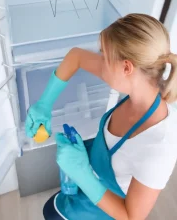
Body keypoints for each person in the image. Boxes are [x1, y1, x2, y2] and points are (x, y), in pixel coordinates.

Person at [25, 13, 177, 220]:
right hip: (83, 188)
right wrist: (44, 104)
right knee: (50, 210)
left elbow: (131, 217)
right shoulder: (141, 88)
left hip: (104, 210)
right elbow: (76, 56)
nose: (100, 62)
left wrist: (82, 174)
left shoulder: (159, 147)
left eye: (104, 56)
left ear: (126, 67)